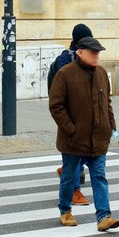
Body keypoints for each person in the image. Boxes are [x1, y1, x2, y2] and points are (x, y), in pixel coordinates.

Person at [48, 36, 119, 231]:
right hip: (73, 141)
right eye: (93, 52)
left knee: (99, 177)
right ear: (80, 52)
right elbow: (56, 106)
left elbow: (107, 103)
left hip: (98, 138)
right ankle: (65, 210)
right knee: (69, 177)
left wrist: (111, 125)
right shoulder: (65, 74)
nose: (97, 56)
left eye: (98, 52)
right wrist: (71, 130)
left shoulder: (101, 73)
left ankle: (104, 216)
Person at [49, 23, 91, 207]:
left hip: (83, 113)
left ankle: (67, 171)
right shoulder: (66, 59)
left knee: (81, 150)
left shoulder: (85, 56)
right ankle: (74, 190)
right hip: (69, 114)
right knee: (74, 151)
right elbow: (62, 90)